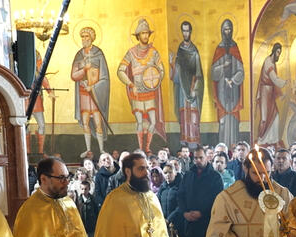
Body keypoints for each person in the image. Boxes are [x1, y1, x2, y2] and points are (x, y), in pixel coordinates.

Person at [178, 149, 223, 237]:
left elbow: (217, 199)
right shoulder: (188, 175)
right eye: (195, 158)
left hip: (208, 222)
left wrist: (202, 212)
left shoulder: (214, 176)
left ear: (206, 158)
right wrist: (185, 212)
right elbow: (181, 195)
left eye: (201, 157)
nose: (198, 160)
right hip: (191, 222)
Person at [117, 18, 166, 153]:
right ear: (138, 36)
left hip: (150, 91)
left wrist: (155, 81)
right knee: (139, 122)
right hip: (137, 92)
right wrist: (131, 84)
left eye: (146, 33)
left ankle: (148, 147)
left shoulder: (154, 52)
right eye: (142, 33)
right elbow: (120, 71)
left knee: (153, 122)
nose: (145, 36)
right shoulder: (131, 52)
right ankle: (140, 148)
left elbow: (161, 70)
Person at [71, 27, 110, 159]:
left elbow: (105, 78)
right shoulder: (79, 55)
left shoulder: (99, 54)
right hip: (83, 94)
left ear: (92, 38)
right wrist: (84, 70)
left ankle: (101, 149)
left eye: (87, 37)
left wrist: (93, 88)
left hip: (95, 94)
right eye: (82, 37)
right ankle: (88, 149)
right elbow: (74, 75)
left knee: (98, 122)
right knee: (86, 121)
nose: (84, 39)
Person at [210, 20, 244, 147]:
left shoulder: (235, 48)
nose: (227, 32)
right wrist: (223, 66)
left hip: (233, 89)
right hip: (222, 90)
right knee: (224, 118)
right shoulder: (219, 49)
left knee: (233, 118)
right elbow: (213, 73)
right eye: (225, 29)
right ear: (221, 31)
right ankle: (222, 146)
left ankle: (234, 146)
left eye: (229, 29)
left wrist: (233, 79)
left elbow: (241, 71)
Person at [170, 21, 203, 149]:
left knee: (193, 114)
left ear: (191, 31)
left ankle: (194, 143)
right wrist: (172, 64)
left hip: (192, 86)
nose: (185, 33)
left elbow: (199, 72)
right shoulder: (180, 50)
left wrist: (195, 88)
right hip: (182, 90)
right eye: (183, 31)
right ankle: (184, 142)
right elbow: (176, 76)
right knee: (184, 115)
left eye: (187, 30)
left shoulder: (195, 51)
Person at [256, 42, 286, 145]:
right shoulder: (268, 62)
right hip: (265, 91)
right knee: (265, 118)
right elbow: (274, 79)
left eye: (280, 53)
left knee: (275, 115)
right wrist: (285, 82)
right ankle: (261, 140)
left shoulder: (273, 63)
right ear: (273, 51)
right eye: (278, 52)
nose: (279, 55)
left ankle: (273, 140)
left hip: (270, 92)